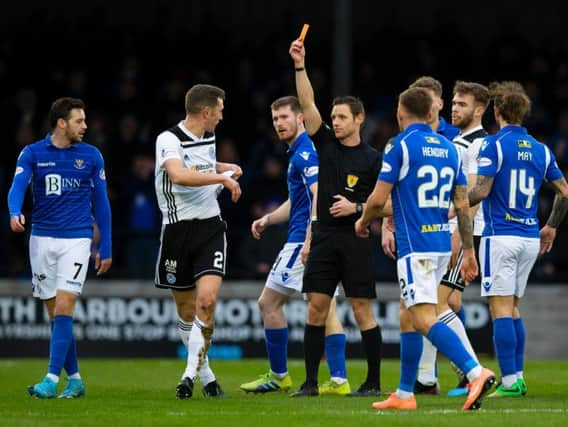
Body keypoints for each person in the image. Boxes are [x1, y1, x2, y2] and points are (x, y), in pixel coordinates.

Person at [355, 86, 495, 411]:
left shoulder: (400, 146)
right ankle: (405, 393)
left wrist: (363, 222)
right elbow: (462, 204)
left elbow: (377, 200)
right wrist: (469, 252)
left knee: (422, 318)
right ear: (432, 113)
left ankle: (475, 372)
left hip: (415, 247)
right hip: (441, 244)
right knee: (408, 313)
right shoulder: (449, 149)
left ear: (400, 115)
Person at [288, 39, 384, 398]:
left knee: (362, 311)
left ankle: (373, 382)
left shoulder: (374, 159)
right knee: (316, 307)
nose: (336, 122)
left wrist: (358, 210)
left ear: (359, 119)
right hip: (326, 236)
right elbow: (308, 103)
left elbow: (388, 205)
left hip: (356, 237)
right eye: (334, 117)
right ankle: (311, 382)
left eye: (343, 117)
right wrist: (300, 65)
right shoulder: (324, 143)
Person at [239, 96, 350, 395]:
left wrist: (310, 240)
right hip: (322, 237)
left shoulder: (304, 153)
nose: (279, 124)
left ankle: (279, 375)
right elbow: (301, 198)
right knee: (327, 309)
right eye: (275, 119)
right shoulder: (306, 150)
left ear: (301, 118)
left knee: (269, 303)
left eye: (285, 117)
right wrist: (270, 218)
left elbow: (319, 194)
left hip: (304, 239)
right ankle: (339, 380)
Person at [468, 81, 568, 398]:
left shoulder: (493, 145)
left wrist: (455, 204)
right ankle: (518, 378)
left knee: (500, 309)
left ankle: (510, 382)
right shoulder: (541, 149)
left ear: (496, 111)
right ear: (523, 113)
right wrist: (551, 226)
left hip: (500, 236)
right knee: (512, 309)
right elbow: (564, 191)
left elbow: (482, 190)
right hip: (529, 238)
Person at [8, 97, 112, 398]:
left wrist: (105, 245)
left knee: (66, 306)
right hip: (41, 239)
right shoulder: (32, 153)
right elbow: (17, 187)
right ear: (61, 123)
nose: (85, 126)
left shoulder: (92, 156)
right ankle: (76, 379)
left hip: (77, 239)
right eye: (79, 121)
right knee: (56, 315)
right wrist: (15, 211)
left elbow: (102, 203)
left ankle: (51, 379)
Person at [153, 84, 242, 399]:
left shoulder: (208, 137)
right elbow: (178, 174)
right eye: (219, 110)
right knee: (188, 310)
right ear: (206, 111)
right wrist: (222, 178)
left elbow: (200, 166)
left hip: (210, 228)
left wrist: (223, 168)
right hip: (177, 232)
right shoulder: (168, 139)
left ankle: (188, 375)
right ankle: (207, 375)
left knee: (207, 302)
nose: (221, 116)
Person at [415, 81, 491, 396]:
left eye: (462, 104)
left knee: (433, 304)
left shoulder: (480, 144)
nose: (455, 108)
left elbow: (474, 195)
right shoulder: (458, 141)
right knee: (443, 302)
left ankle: (472, 373)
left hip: (462, 231)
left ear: (480, 109)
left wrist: (461, 237)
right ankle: (445, 377)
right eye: (455, 103)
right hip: (449, 231)